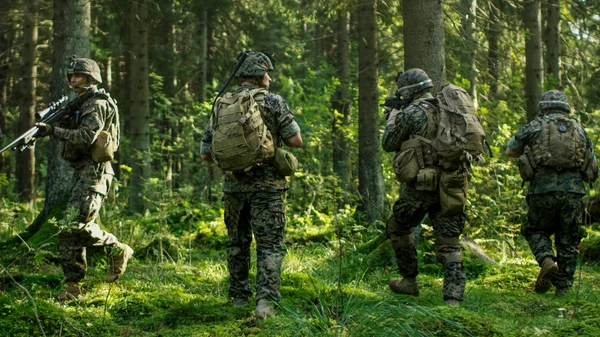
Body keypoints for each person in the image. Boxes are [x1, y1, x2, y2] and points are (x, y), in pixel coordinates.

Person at [201, 51, 302, 319]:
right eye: (267, 73)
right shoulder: (273, 102)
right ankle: (266, 302)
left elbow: (205, 153)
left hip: (234, 187)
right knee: (269, 244)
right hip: (268, 188)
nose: (270, 78)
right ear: (259, 76)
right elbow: (295, 140)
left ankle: (237, 297)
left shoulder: (221, 104)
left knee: (237, 243)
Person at [35, 56, 133, 301]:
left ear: (91, 78)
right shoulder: (80, 103)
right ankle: (72, 287)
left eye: (78, 75)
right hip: (82, 172)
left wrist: (53, 130)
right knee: (67, 229)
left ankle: (117, 248)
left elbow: (86, 136)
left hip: (96, 172)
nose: (73, 79)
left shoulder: (97, 103)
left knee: (73, 225)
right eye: (71, 75)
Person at [382, 68, 469, 306]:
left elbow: (389, 143)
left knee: (398, 227)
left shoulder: (412, 113)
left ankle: (409, 280)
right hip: (452, 183)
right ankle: (453, 299)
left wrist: (392, 116)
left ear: (408, 91)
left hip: (421, 186)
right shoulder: (451, 109)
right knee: (450, 241)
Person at [505, 90, 597, 295]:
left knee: (534, 229)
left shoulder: (535, 126)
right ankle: (563, 290)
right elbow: (591, 165)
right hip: (573, 191)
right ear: (565, 107)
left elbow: (510, 151)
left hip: (541, 190)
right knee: (568, 239)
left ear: (544, 108)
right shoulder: (579, 129)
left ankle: (546, 260)